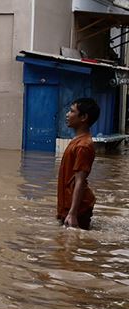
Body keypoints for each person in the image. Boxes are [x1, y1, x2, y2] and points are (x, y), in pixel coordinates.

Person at [57, 98, 100, 230]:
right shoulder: (78, 141)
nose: (67, 114)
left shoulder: (83, 145)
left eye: (71, 111)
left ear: (83, 117)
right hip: (70, 205)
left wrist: (73, 213)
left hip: (78, 208)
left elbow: (80, 180)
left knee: (72, 246)